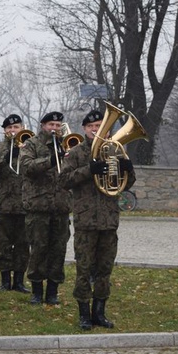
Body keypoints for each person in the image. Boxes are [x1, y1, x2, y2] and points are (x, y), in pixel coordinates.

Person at [60, 110, 135, 329]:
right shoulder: (75, 153)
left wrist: (128, 170)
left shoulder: (114, 151)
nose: (96, 129)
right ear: (85, 129)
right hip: (85, 221)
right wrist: (89, 170)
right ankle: (84, 314)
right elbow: (64, 180)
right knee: (84, 268)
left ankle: (99, 313)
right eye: (92, 126)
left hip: (109, 220)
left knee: (104, 269)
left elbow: (125, 185)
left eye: (101, 126)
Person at [19, 111, 71, 305]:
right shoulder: (31, 144)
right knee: (39, 249)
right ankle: (36, 291)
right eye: (51, 125)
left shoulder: (68, 144)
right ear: (43, 126)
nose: (55, 129)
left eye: (58, 125)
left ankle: (53, 291)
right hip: (38, 207)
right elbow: (26, 167)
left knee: (58, 250)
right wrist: (50, 160)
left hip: (61, 207)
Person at [0, 114, 30, 292]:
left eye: (16, 127)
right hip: (3, 204)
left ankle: (19, 281)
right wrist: (5, 157)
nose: (12, 130)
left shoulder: (29, 147)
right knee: (4, 244)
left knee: (23, 245)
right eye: (9, 128)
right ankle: (4, 281)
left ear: (22, 128)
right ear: (4, 131)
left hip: (25, 205)